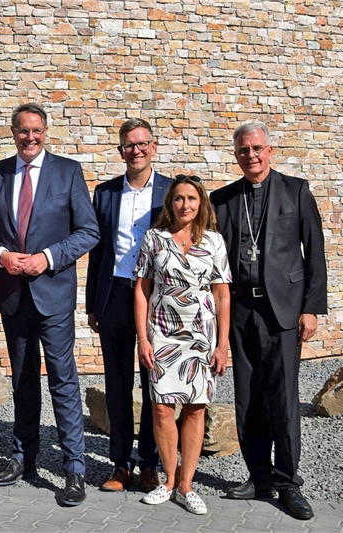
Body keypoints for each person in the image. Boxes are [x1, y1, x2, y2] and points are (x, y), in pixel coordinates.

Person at [0, 102, 100, 506]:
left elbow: (88, 231)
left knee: (63, 380)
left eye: (37, 131)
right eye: (22, 131)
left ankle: (74, 469)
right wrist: (1, 257)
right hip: (13, 294)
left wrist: (48, 257)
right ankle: (22, 457)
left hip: (53, 293)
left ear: (46, 131)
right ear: (13, 133)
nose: (30, 137)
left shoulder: (67, 172)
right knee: (22, 379)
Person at [210, 122, 327, 520]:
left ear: (270, 150)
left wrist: (311, 307)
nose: (251, 156)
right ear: (236, 154)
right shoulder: (223, 199)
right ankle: (259, 476)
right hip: (241, 310)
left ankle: (288, 482)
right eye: (243, 150)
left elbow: (315, 253)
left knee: (283, 398)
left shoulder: (296, 190)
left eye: (257, 148)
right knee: (248, 399)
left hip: (283, 311)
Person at [134, 174, 232, 515]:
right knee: (161, 407)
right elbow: (142, 290)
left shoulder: (215, 242)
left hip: (201, 337)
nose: (185, 204)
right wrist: (143, 338)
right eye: (178, 198)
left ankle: (187, 486)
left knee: (195, 408)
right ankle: (169, 480)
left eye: (191, 198)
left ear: (201, 203)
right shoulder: (154, 239)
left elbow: (222, 296)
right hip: (161, 334)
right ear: (170, 203)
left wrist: (222, 345)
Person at [85, 118, 169, 493]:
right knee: (117, 382)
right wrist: (92, 303)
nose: (135, 150)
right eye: (128, 145)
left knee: (154, 381)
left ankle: (150, 464)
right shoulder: (104, 193)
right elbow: (97, 251)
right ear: (120, 151)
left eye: (142, 143)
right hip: (115, 294)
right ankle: (121, 465)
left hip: (158, 295)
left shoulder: (171, 192)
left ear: (153, 147)